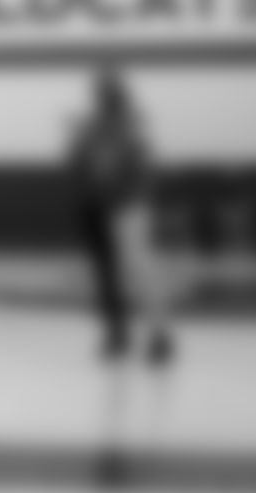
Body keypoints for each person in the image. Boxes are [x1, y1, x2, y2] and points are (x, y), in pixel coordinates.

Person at [69, 68, 176, 367]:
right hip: (98, 205)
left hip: (125, 205)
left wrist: (94, 158)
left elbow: (118, 167)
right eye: (100, 92)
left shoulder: (126, 125)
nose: (102, 97)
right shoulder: (94, 126)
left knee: (138, 267)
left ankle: (159, 335)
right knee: (108, 273)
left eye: (106, 92)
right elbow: (80, 162)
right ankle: (118, 334)